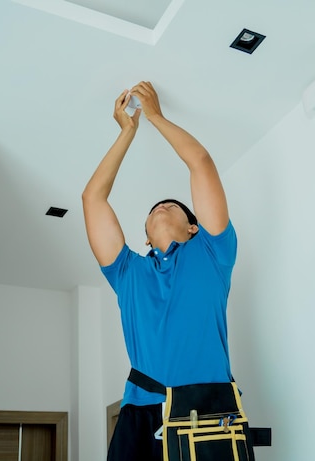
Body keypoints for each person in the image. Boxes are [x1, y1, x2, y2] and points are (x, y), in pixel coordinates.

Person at [82, 81, 237, 461]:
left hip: (209, 409)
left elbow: (200, 161)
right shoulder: (127, 272)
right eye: (153, 209)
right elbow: (93, 198)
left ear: (193, 227)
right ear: (145, 236)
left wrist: (154, 116)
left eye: (172, 205)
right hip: (141, 411)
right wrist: (127, 131)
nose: (161, 207)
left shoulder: (214, 252)